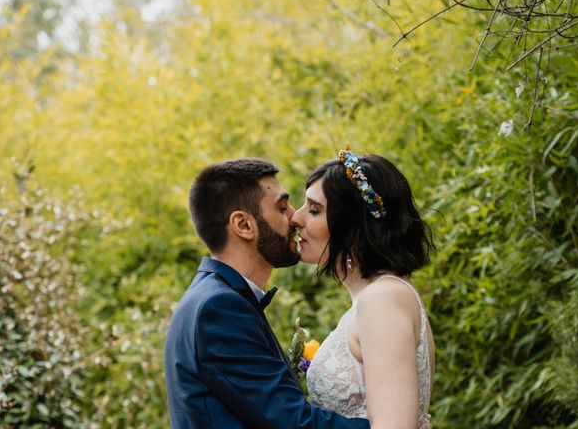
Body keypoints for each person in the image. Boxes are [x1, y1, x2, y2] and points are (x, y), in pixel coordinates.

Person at [164, 158, 369, 428]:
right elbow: (293, 422)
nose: (295, 217)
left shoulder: (214, 298)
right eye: (282, 207)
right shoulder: (218, 308)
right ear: (244, 225)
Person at [292, 146, 436, 428]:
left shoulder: (382, 299)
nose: (296, 219)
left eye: (314, 210)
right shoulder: (378, 296)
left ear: (351, 226)